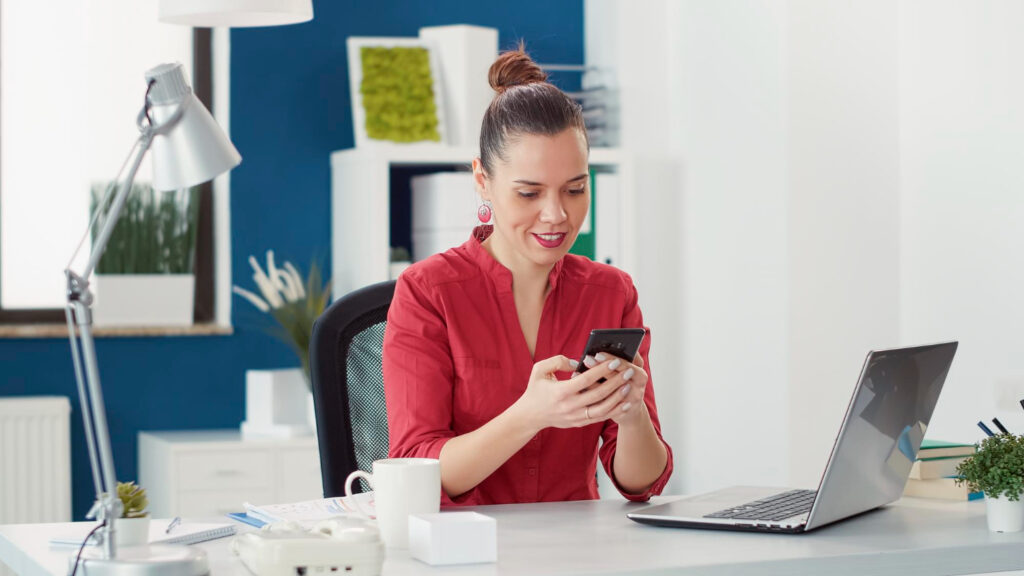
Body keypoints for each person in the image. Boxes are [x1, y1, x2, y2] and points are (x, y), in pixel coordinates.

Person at [382, 45, 672, 506]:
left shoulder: (611, 292)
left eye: (575, 189)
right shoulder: (427, 293)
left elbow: (641, 484)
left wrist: (633, 413)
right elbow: (418, 469)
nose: (556, 214)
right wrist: (530, 415)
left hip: (579, 553)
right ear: (482, 180)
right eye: (529, 193)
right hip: (465, 554)